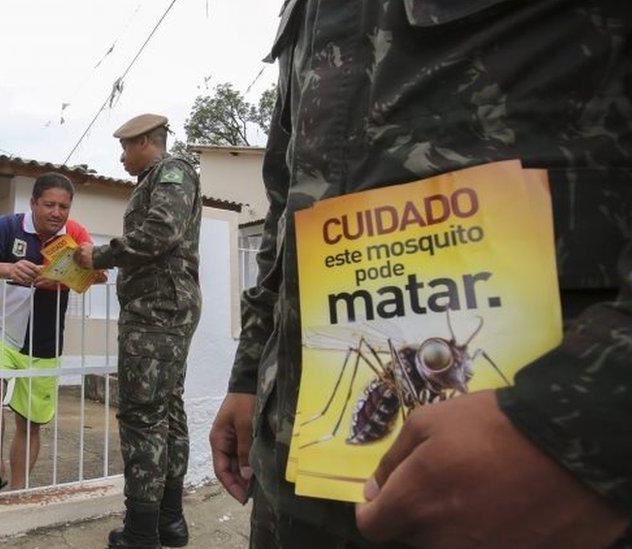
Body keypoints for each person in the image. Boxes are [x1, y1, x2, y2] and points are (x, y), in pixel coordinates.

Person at [209, 1, 632, 547]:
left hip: (531, 470)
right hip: (298, 470)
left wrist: (587, 419)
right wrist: (249, 377)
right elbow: (285, 204)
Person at [75, 114, 202, 549]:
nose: (122, 156)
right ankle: (168, 522)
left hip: (156, 312)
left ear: (148, 141)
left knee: (142, 416)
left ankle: (141, 532)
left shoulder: (172, 171)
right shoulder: (161, 177)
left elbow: (159, 234)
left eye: (127, 147)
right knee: (167, 410)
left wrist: (100, 256)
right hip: (164, 309)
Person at [0, 172, 102, 494]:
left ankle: (19, 491)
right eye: (49, 204)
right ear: (33, 203)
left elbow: (98, 275)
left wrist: (64, 277)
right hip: (0, 331)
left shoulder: (75, 233)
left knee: (29, 421)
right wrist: (8, 268)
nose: (57, 213)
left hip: (45, 342)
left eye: (64, 207)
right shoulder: (8, 227)